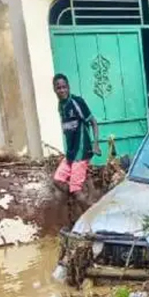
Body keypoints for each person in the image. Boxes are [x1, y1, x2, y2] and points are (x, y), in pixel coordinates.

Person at [52, 73, 100, 211]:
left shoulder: (77, 102)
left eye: (64, 87)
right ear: (55, 89)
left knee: (77, 192)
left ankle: (89, 218)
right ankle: (82, 197)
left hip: (82, 150)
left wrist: (95, 143)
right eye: (58, 88)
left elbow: (93, 122)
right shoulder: (61, 106)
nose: (62, 90)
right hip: (71, 153)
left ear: (68, 87)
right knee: (58, 181)